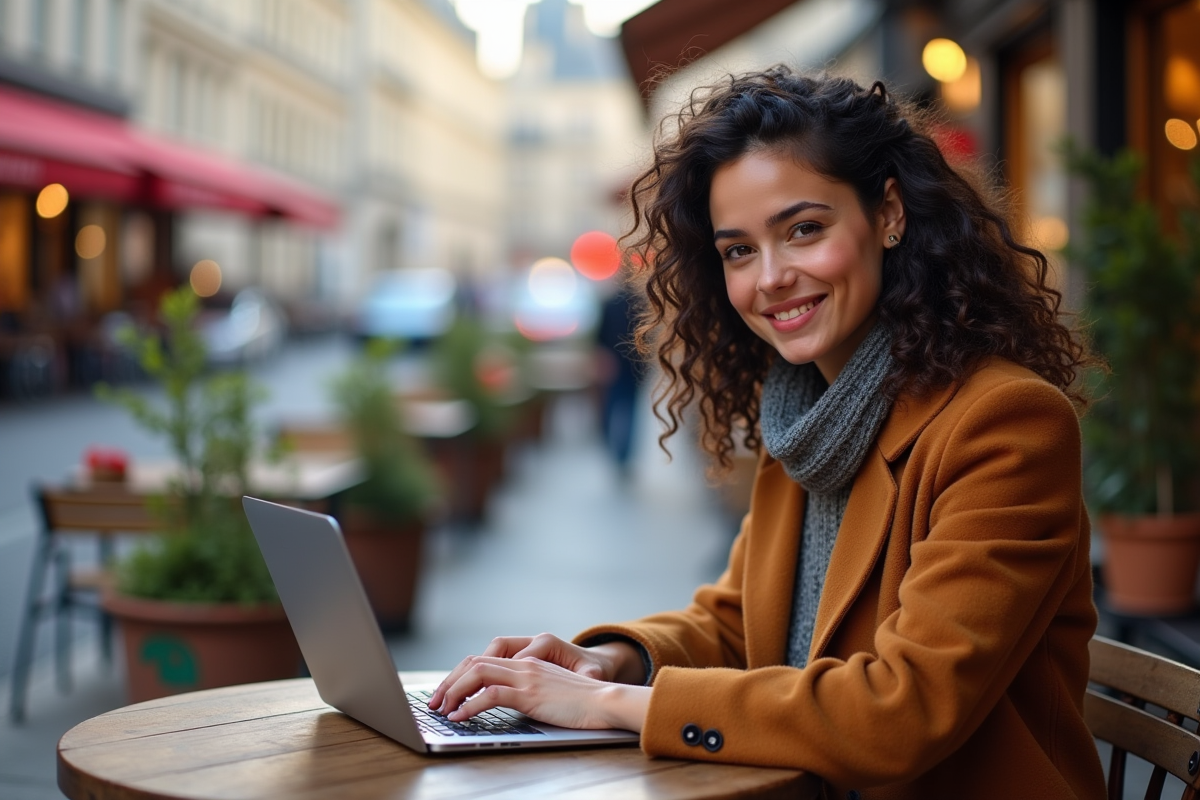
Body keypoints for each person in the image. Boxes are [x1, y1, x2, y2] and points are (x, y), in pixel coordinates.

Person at [428, 68, 1106, 799]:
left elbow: (904, 708)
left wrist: (605, 708)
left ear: (888, 214)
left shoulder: (1003, 424)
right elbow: (739, 621)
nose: (771, 277)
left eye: (803, 230)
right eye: (739, 250)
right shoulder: (805, 414)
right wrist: (608, 661)